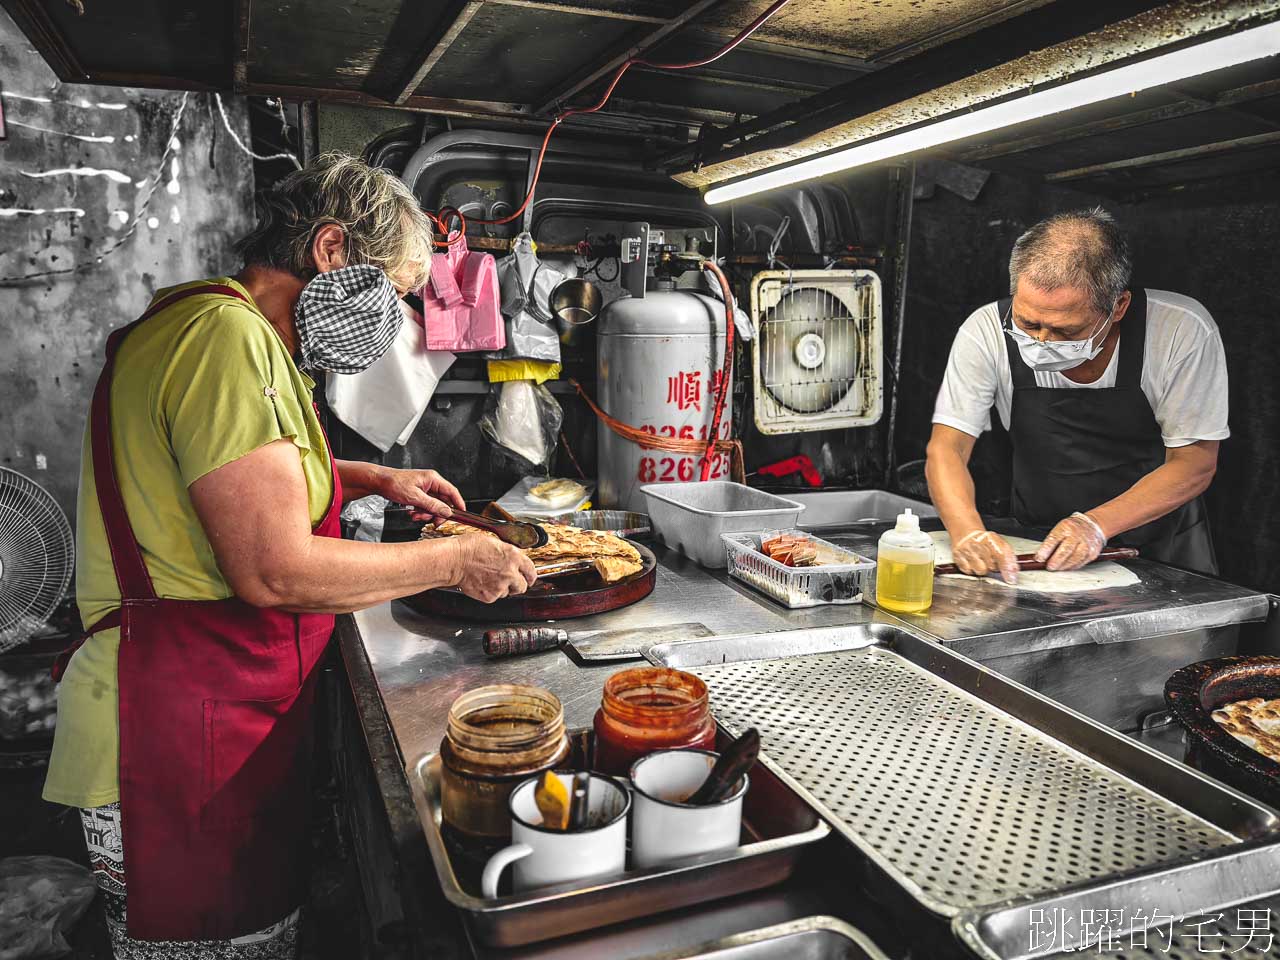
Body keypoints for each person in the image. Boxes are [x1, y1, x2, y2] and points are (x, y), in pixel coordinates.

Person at [44, 154, 536, 957]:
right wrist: (456, 562)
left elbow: (221, 471)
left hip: (203, 719)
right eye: (394, 294)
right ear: (333, 250)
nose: (393, 325)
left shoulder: (212, 326)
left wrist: (369, 475)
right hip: (172, 738)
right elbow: (275, 568)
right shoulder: (226, 339)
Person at [925, 207, 1227, 582]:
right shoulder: (985, 330)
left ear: (1118, 307)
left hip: (1162, 548)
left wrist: (1095, 525)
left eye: (1066, 331)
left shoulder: (1180, 331)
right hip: (1036, 547)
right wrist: (967, 530)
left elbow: (1194, 462)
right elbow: (947, 448)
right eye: (1029, 323)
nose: (1041, 341)